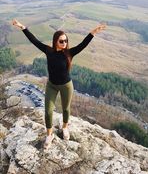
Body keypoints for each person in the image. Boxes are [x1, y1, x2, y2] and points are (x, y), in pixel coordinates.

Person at [12, 19, 106, 148]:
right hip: (52, 85)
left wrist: (93, 32)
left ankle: (65, 127)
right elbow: (34, 40)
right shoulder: (48, 51)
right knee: (48, 111)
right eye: (61, 41)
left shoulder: (69, 53)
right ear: (55, 41)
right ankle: (49, 135)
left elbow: (83, 44)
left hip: (66, 85)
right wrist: (22, 27)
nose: (64, 43)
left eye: (66, 41)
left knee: (66, 108)